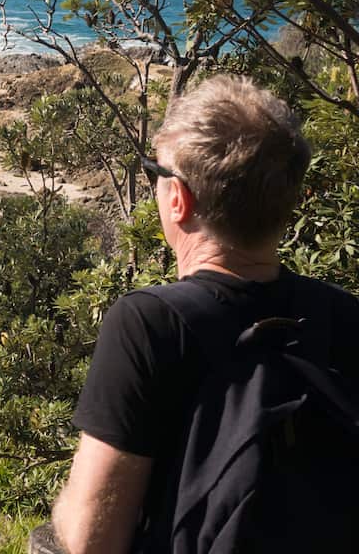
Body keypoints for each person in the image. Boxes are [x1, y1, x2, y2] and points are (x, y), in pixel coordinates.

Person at [49, 75, 359, 553]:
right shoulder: (343, 314)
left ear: (178, 199)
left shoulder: (151, 323)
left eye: (158, 172)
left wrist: (65, 511)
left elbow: (94, 540)